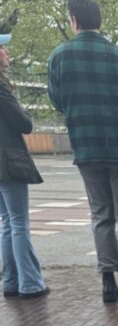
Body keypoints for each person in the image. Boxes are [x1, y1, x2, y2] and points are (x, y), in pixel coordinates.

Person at [47, 0, 118, 304]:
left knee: (101, 215)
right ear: (99, 21)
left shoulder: (60, 56)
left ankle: (108, 282)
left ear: (74, 21)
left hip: (87, 147)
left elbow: (57, 101)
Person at [0, 31, 48, 299]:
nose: (7, 53)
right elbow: (24, 124)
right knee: (18, 223)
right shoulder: (1, 88)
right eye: (3, 49)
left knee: (7, 222)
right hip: (9, 161)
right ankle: (30, 283)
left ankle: (11, 281)